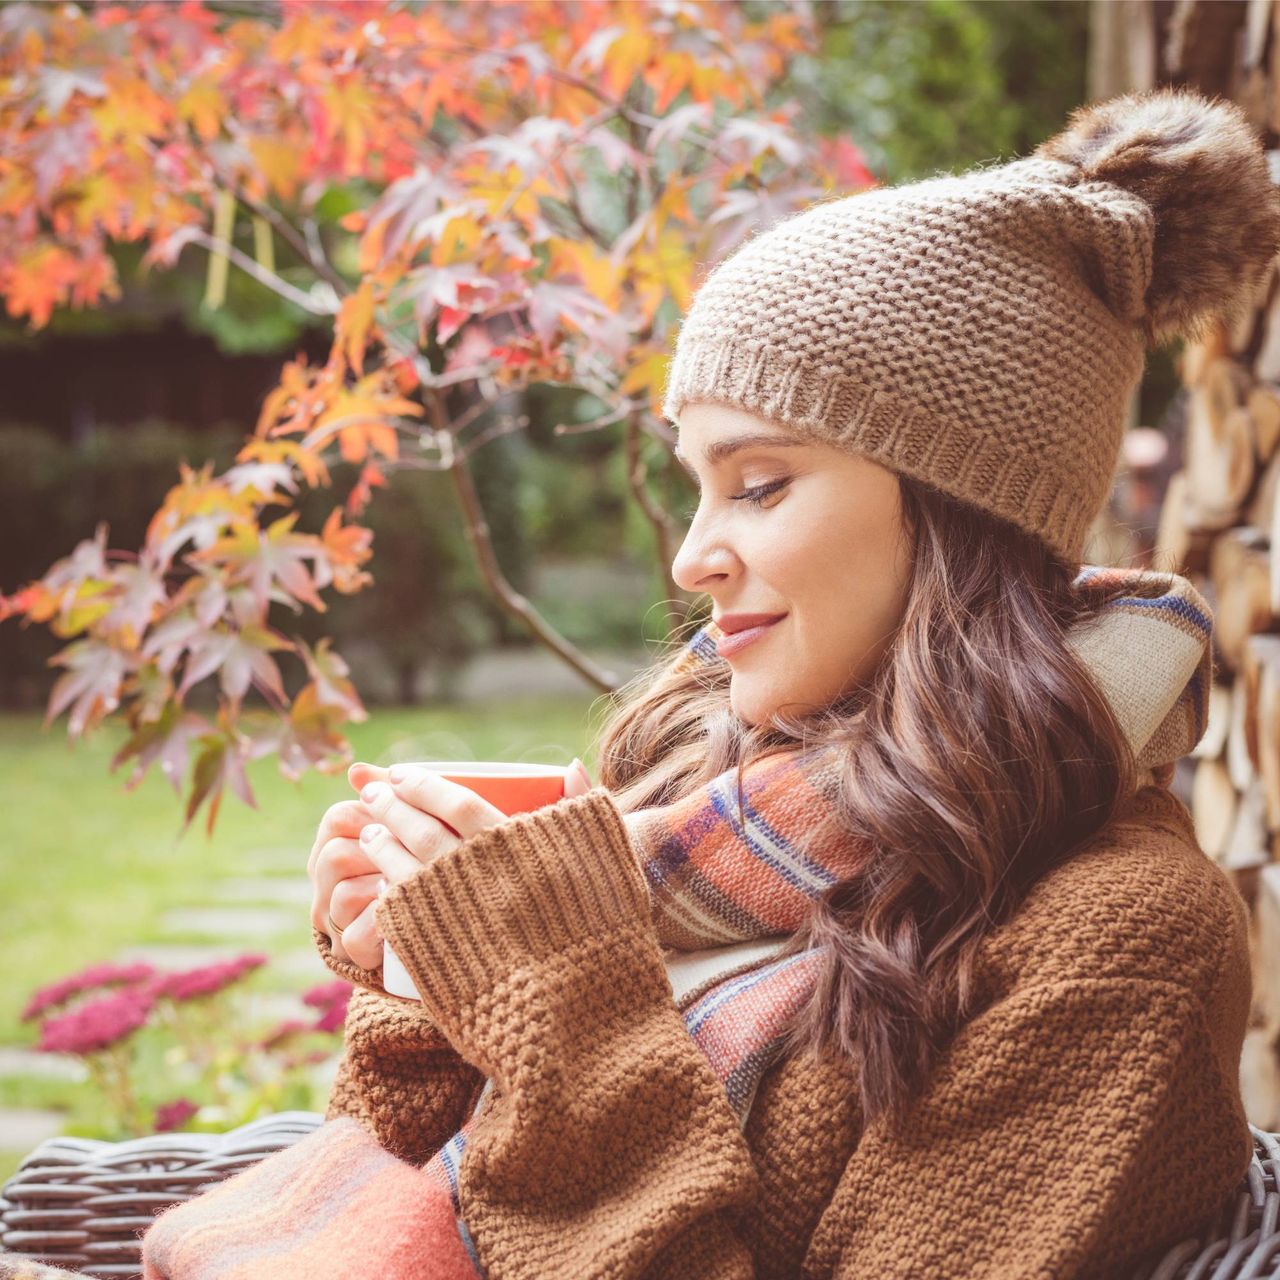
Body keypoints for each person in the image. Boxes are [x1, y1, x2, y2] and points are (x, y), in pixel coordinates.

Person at [127, 85, 1279, 1280]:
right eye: (693, 484)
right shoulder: (682, 793)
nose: (690, 555)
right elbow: (406, 1196)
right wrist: (425, 972)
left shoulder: (1118, 936)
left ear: (956, 510)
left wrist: (551, 983)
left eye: (761, 482)